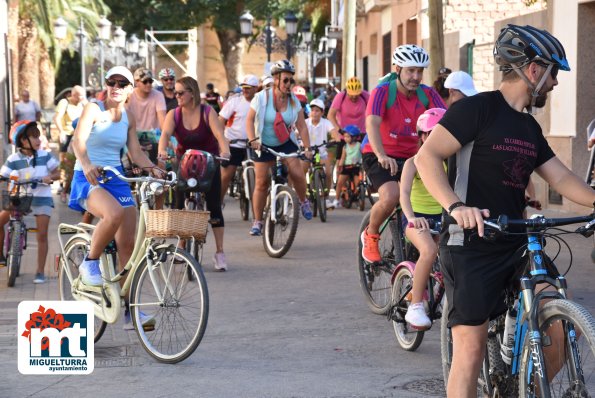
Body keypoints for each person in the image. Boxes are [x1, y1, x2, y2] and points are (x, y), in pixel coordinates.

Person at [414, 25, 595, 397]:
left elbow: (561, 177)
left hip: (516, 241)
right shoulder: (476, 110)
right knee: (471, 348)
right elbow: (426, 156)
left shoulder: (529, 127)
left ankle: (519, 389)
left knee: (563, 324)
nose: (555, 83)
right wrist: (456, 206)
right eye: (553, 73)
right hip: (471, 242)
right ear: (533, 70)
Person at [70, 66, 162, 330]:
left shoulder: (128, 117)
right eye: (112, 82)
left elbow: (135, 153)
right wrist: (86, 164)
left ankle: (129, 311)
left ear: (130, 89)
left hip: (117, 179)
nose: (117, 87)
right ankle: (89, 264)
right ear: (106, 84)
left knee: (129, 247)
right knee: (114, 214)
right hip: (89, 178)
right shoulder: (93, 108)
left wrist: (157, 171)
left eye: (123, 83)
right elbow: (78, 141)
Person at [360, 44, 446, 263]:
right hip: (381, 154)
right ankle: (371, 234)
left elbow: (446, 122)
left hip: (415, 158)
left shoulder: (427, 94)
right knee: (391, 195)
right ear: (397, 68)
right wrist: (381, 155)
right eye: (410, 70)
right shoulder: (383, 92)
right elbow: (372, 123)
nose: (416, 76)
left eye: (419, 71)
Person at [157, 76, 231, 271]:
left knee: (214, 207)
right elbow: (165, 135)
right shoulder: (174, 114)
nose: (177, 96)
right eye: (175, 93)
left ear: (192, 93)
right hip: (184, 163)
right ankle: (182, 245)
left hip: (209, 162)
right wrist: (163, 151)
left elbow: (219, 135)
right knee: (179, 205)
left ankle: (220, 251)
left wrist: (225, 152)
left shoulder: (207, 112)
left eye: (181, 93)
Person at [245, 59, 313, 236]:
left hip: (285, 142)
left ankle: (303, 200)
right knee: (261, 183)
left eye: (292, 80)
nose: (289, 84)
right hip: (263, 143)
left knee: (297, 173)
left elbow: (302, 125)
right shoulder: (261, 98)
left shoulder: (294, 101)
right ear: (275, 79)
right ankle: (258, 221)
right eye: (286, 80)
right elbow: (249, 120)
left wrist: (307, 147)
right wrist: (252, 139)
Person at [399, 108, 446, 329]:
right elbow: (404, 194)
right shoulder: (413, 162)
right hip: (417, 218)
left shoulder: (449, 162)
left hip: (443, 218)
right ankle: (415, 305)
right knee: (428, 250)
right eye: (432, 133)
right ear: (423, 136)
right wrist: (411, 218)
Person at [0, 121, 59, 283]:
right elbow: (3, 174)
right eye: (34, 137)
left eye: (38, 136)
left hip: (42, 199)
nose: (38, 140)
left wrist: (50, 177)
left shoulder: (45, 156)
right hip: (21, 197)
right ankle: (1, 255)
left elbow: (57, 173)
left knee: (42, 234)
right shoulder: (13, 158)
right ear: (23, 141)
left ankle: (40, 272)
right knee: (1, 221)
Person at [218, 74, 259, 202]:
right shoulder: (234, 101)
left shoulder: (261, 102)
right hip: (234, 144)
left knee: (263, 176)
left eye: (248, 87)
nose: (245, 90)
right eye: (243, 87)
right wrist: (222, 140)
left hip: (254, 145)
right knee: (226, 176)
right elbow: (220, 120)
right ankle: (217, 205)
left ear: (256, 88)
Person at [301, 98, 337, 208]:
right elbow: (298, 133)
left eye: (317, 111)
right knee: (301, 172)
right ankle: (302, 197)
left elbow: (333, 132)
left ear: (322, 112)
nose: (314, 113)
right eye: (312, 110)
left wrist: (336, 138)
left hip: (320, 153)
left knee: (328, 173)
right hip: (307, 152)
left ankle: (325, 197)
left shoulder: (325, 123)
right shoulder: (305, 123)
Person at [53, 85, 86, 203]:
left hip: (78, 135)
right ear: (74, 95)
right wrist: (61, 132)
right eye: (80, 95)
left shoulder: (83, 104)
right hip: (66, 134)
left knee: (77, 162)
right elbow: (57, 118)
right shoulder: (64, 102)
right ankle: (62, 185)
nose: (82, 97)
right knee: (64, 162)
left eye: (83, 95)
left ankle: (71, 187)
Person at [126, 68, 166, 163]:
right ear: (136, 82)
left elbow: (163, 122)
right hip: (134, 133)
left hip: (154, 135)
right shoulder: (129, 95)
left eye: (150, 81)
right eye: (145, 81)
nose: (148, 84)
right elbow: (124, 119)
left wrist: (165, 140)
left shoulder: (158, 95)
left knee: (166, 157)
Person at [334, 124, 363, 208]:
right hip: (347, 167)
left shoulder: (359, 145)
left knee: (358, 184)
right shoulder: (345, 147)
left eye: (348, 137)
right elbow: (343, 158)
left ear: (354, 137)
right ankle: (336, 199)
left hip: (356, 167)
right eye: (345, 137)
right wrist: (340, 166)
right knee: (340, 182)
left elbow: (363, 155)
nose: (345, 138)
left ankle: (357, 198)